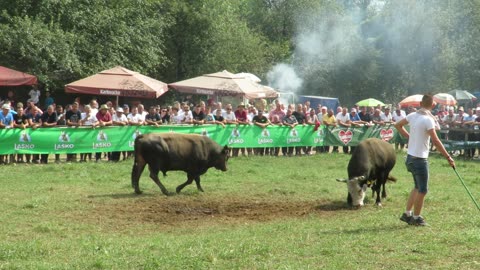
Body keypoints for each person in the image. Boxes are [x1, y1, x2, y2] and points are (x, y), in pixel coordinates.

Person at [395, 94, 455, 226]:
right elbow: (436, 140)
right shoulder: (428, 120)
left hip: (410, 157)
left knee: (417, 187)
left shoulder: (412, 116)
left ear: (420, 103)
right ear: (433, 105)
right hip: (419, 159)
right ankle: (416, 218)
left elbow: (397, 125)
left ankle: (407, 214)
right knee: (423, 190)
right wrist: (448, 157)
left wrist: (409, 137)